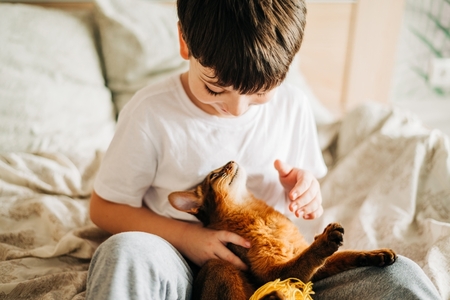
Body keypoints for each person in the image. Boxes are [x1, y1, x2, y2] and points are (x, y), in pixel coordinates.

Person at [85, 0, 442, 299]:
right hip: (182, 263)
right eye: (215, 89)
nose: (237, 108)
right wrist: (188, 237)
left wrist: (306, 190)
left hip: (281, 272)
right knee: (123, 254)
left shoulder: (293, 106)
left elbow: (306, 191)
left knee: (399, 276)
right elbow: (104, 208)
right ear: (184, 41)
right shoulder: (150, 113)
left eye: (259, 94)